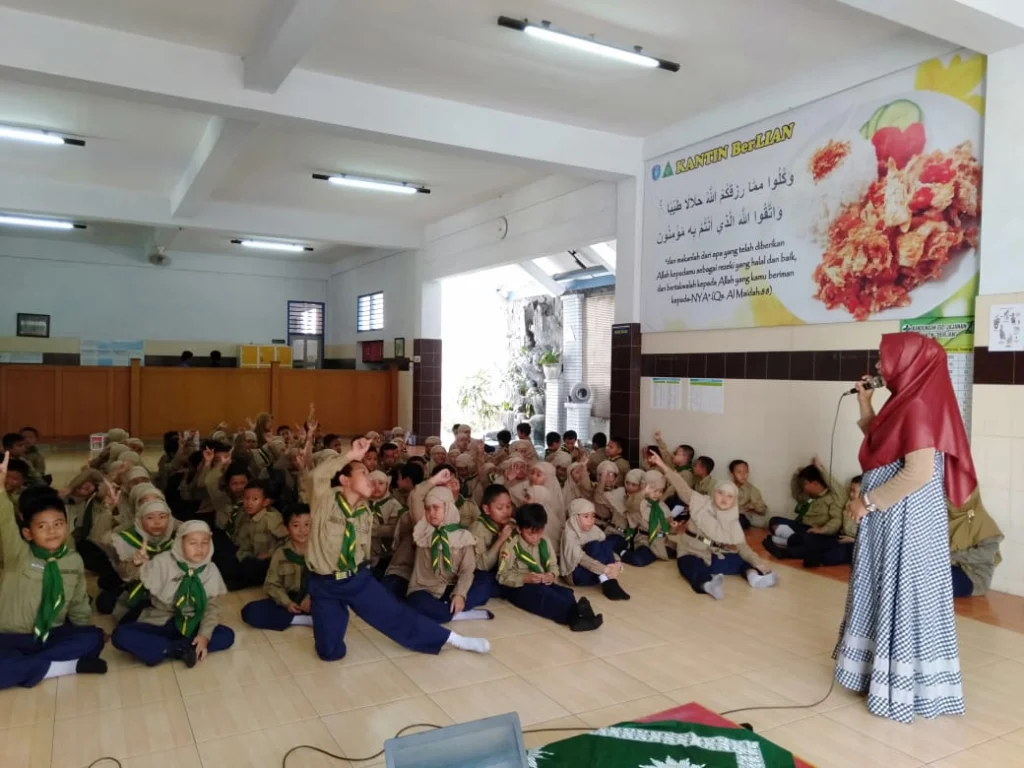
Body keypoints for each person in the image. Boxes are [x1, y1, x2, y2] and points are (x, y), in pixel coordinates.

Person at [835, 332, 974, 723]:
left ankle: (899, 687)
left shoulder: (917, 406)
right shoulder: (908, 400)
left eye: (885, 359)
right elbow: (884, 445)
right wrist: (866, 403)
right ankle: (879, 675)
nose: (879, 366)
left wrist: (866, 502)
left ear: (909, 362)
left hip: (906, 519)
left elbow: (917, 473)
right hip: (892, 515)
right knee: (886, 587)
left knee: (903, 590)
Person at [303, 437, 489, 660]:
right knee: (330, 653)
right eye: (363, 473)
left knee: (397, 615)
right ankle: (332, 618)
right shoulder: (324, 501)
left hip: (355, 578)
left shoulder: (364, 512)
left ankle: (453, 639)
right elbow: (316, 477)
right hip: (324, 583)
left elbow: (362, 548)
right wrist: (350, 455)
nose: (370, 479)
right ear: (344, 480)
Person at [0, 462, 107, 690]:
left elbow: (78, 602)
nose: (52, 531)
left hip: (50, 634)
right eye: (42, 526)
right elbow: (5, 522)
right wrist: (0, 492)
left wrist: (82, 628)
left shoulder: (72, 560)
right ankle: (63, 667)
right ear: (27, 533)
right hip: (10, 637)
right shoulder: (18, 554)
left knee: (93, 638)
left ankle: (26, 667)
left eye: (58, 524)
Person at [648, 452, 775, 600]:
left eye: (730, 496)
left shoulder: (731, 517)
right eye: (721, 493)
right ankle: (708, 585)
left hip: (711, 554)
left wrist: (758, 564)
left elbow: (742, 546)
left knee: (741, 560)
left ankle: (753, 577)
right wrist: (662, 465)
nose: (724, 499)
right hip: (691, 550)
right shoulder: (700, 502)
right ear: (714, 493)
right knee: (690, 565)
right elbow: (681, 486)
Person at [111, 520, 235, 667]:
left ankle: (165, 649)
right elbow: (128, 576)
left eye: (205, 543)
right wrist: (135, 564)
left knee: (227, 635)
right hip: (161, 622)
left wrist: (204, 636)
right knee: (120, 635)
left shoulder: (210, 570)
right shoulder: (162, 562)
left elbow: (211, 608)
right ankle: (180, 649)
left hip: (193, 623)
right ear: (180, 543)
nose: (199, 548)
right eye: (193, 543)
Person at [497, 503, 602, 632]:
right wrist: (525, 578)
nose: (535, 538)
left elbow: (553, 565)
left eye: (539, 532)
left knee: (566, 593)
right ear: (519, 529)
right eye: (530, 534)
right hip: (517, 587)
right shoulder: (511, 546)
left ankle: (582, 617)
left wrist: (551, 575)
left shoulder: (544, 541)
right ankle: (574, 619)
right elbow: (501, 576)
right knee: (544, 595)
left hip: (540, 581)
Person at [405, 486, 494, 623]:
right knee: (416, 603)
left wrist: (459, 594)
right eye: (428, 509)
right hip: (425, 589)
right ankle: (455, 613)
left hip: (451, 587)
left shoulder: (463, 536)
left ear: (448, 508)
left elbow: (467, 570)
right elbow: (415, 497)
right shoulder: (423, 530)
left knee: (484, 582)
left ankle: (451, 607)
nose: (431, 513)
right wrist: (434, 480)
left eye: (436, 508)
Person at [95, 498, 176, 619]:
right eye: (150, 518)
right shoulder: (127, 539)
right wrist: (135, 565)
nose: (157, 522)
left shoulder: (178, 542)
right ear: (140, 521)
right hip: (135, 589)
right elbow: (124, 575)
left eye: (162, 517)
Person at [241, 504, 314, 631]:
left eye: (307, 524)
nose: (302, 530)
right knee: (250, 611)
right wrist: (287, 603)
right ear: (287, 528)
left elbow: (332, 578)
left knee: (334, 607)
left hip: (315, 598)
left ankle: (306, 616)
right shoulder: (281, 553)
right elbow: (271, 584)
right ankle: (301, 619)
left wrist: (312, 596)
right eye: (296, 525)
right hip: (291, 598)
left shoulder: (320, 551)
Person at [219, 480, 287, 590]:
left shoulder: (271, 519)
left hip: (266, 561)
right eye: (246, 498)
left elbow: (287, 540)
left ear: (266, 502)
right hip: (248, 555)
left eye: (255, 499)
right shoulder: (244, 514)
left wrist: (269, 554)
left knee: (250, 568)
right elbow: (239, 538)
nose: (249, 503)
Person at [560, 499, 630, 600]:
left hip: (595, 573)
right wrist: (605, 569)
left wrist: (617, 563)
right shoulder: (569, 534)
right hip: (576, 576)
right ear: (575, 517)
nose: (591, 520)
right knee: (594, 545)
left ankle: (609, 581)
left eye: (593, 516)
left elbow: (607, 551)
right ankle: (609, 583)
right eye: (586, 516)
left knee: (605, 544)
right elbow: (581, 559)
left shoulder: (595, 530)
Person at [769, 461, 843, 549]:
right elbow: (797, 495)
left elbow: (837, 520)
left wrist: (821, 530)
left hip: (817, 533)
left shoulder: (832, 498)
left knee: (811, 540)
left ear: (815, 483)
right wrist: (797, 474)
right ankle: (792, 541)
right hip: (802, 527)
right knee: (774, 521)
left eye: (805, 484)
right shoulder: (811, 496)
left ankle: (789, 541)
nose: (804, 487)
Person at [948, 491, 1003, 597]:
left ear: (974, 495)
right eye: (953, 493)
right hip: (950, 568)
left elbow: (986, 554)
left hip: (974, 576)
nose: (958, 498)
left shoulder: (982, 520)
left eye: (965, 494)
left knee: (935, 584)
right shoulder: (944, 517)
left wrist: (952, 556)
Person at [621, 470, 673, 567]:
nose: (657, 494)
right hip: (645, 541)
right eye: (654, 491)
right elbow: (630, 504)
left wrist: (675, 526)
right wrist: (643, 492)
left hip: (662, 541)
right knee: (639, 560)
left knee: (680, 553)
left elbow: (668, 528)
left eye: (660, 491)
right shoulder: (640, 503)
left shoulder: (662, 505)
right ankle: (622, 553)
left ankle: (657, 553)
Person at [730, 460, 769, 529]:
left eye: (746, 472)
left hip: (742, 518)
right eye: (739, 472)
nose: (743, 475)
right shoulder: (727, 487)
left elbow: (763, 510)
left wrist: (754, 506)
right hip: (728, 515)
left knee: (738, 520)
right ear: (732, 474)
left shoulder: (751, 489)